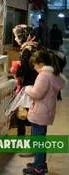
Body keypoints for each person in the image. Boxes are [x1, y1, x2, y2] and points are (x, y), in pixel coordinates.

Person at [22, 50, 65, 175]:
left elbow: (37, 93)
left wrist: (27, 88)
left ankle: (38, 168)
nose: (35, 68)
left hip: (39, 112)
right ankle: (40, 163)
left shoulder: (43, 75)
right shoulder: (53, 74)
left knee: (38, 141)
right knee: (41, 139)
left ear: (41, 64)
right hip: (46, 111)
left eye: (35, 65)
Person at [12, 25, 39, 156]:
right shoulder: (34, 46)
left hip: (29, 87)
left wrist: (16, 70)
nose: (16, 39)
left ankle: (24, 144)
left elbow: (26, 69)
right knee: (28, 115)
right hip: (35, 85)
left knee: (22, 115)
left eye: (17, 36)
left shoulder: (27, 50)